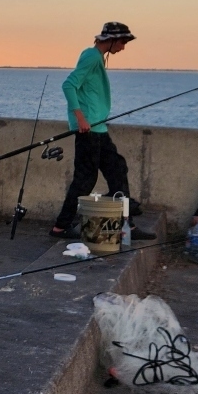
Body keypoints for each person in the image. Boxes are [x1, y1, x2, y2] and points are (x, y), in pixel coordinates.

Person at [50, 22, 156, 240]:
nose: (124, 47)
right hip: (90, 131)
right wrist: (81, 119)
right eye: (123, 42)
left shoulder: (96, 57)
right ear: (112, 40)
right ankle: (61, 227)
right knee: (85, 180)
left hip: (98, 128)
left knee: (118, 170)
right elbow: (68, 85)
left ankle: (127, 225)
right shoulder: (91, 56)